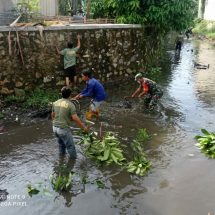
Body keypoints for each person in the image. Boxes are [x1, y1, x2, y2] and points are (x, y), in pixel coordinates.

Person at [51, 86, 88, 159]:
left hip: (54, 128)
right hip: (63, 129)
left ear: (61, 94)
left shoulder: (55, 102)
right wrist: (83, 127)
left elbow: (53, 115)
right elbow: (75, 118)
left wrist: (55, 123)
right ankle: (73, 162)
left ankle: (61, 159)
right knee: (70, 147)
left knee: (61, 145)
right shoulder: (71, 105)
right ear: (70, 95)